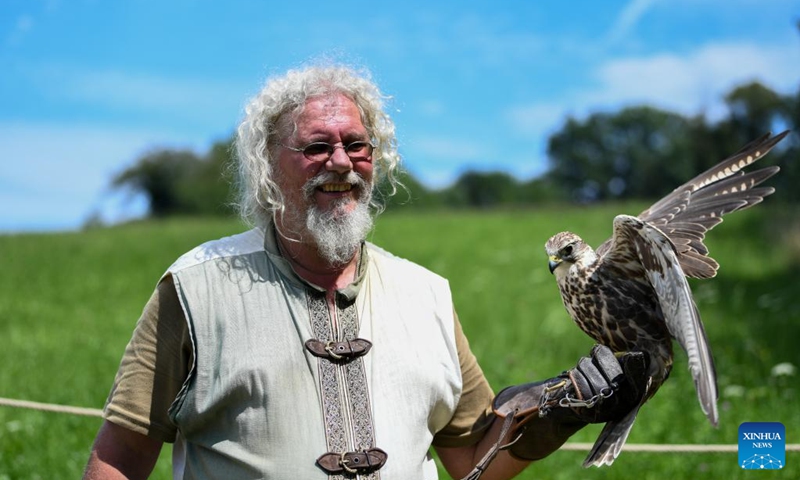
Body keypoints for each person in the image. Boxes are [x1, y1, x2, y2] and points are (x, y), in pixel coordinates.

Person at [83, 64, 649, 480]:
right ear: (265, 168)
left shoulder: (427, 295)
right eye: (315, 146)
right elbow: (119, 459)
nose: (340, 161)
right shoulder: (196, 288)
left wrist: (551, 418)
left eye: (357, 145)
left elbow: (471, 461)